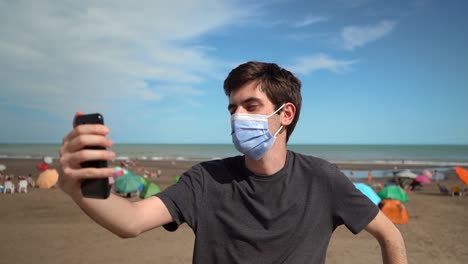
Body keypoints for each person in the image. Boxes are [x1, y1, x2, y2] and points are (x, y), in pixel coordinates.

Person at [58, 61, 407, 263]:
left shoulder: (322, 178)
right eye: (232, 109)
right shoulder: (206, 179)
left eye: (250, 106)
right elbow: (131, 222)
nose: (237, 116)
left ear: (285, 114)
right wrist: (79, 190)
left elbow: (390, 235)